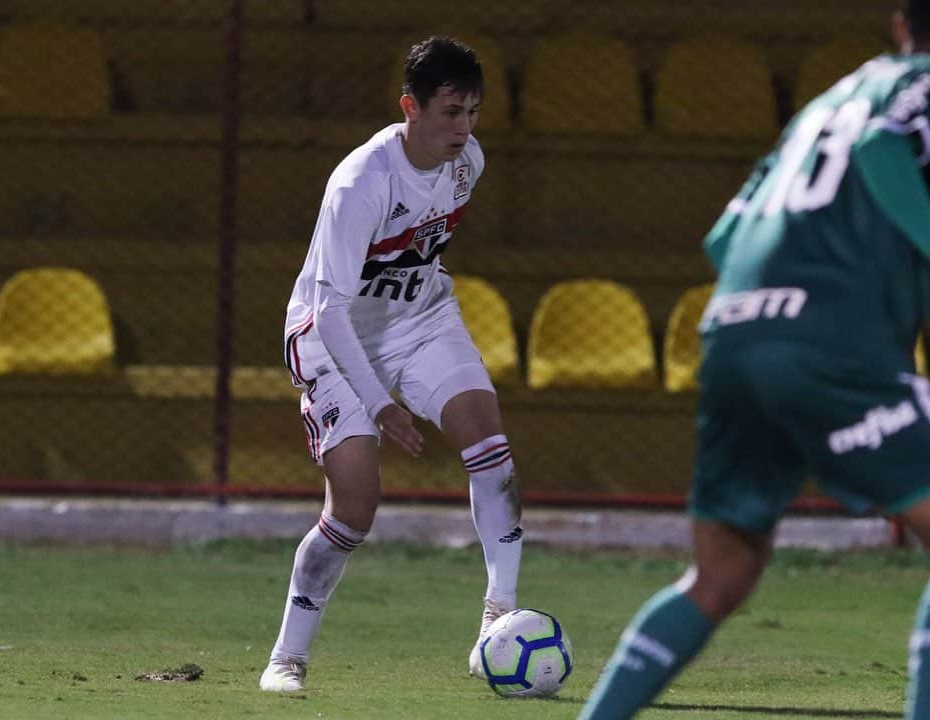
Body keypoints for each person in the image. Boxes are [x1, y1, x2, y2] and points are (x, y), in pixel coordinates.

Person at [579, 3, 930, 718]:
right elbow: (881, 152)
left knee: (721, 573)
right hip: (831, 338)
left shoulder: (830, 100)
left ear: (899, 23)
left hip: (735, 328)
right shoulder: (918, 88)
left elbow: (723, 235)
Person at [259, 36, 524, 694]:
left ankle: (499, 615)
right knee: (355, 505)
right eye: (450, 112)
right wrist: (380, 404)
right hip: (331, 333)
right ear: (411, 106)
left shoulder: (469, 163)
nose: (463, 128)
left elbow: (417, 260)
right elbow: (329, 307)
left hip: (420, 318)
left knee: (491, 445)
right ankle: (286, 658)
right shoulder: (360, 182)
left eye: (473, 112)